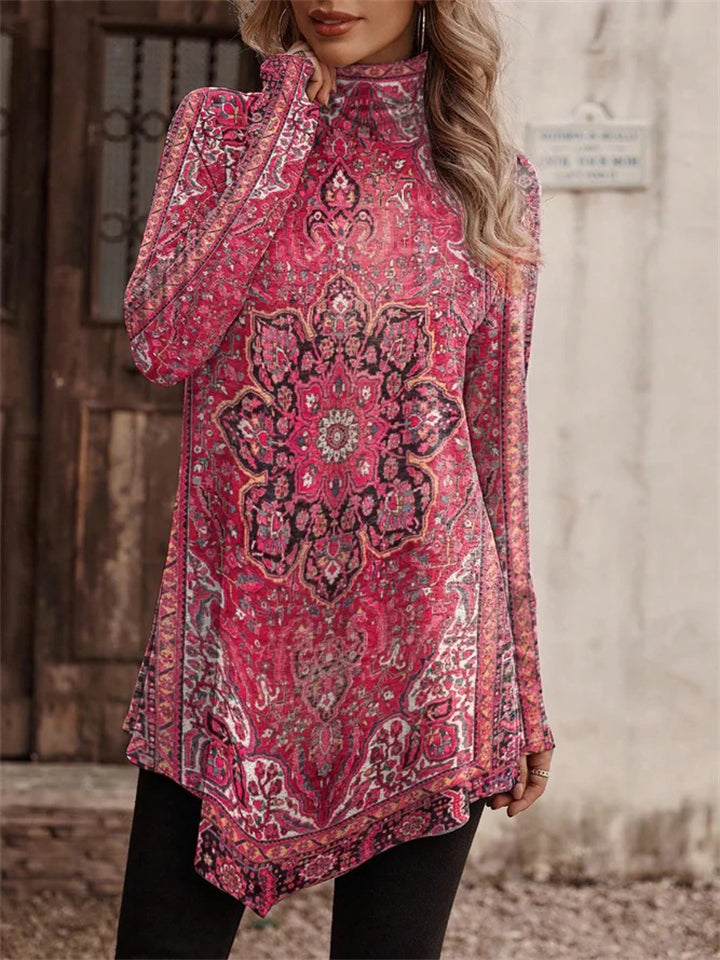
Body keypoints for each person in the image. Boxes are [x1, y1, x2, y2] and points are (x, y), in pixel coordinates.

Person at [114, 1, 556, 957]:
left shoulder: (491, 178)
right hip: (231, 656)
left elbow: (496, 442)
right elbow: (162, 340)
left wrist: (521, 678)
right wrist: (287, 121)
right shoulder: (222, 134)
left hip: (429, 651)